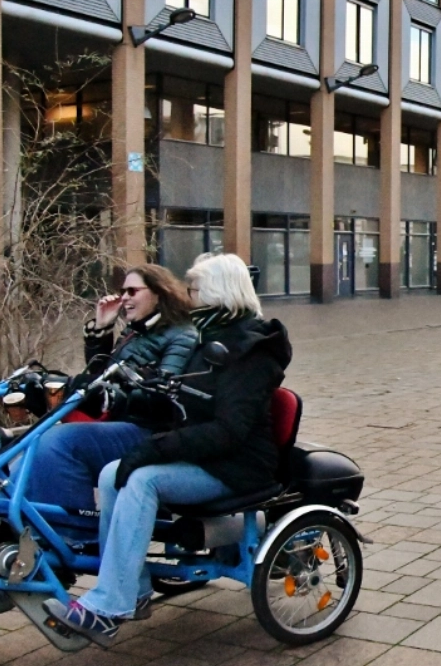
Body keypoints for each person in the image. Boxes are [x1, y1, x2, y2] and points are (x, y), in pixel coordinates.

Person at [44, 253, 291, 646]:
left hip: (235, 465)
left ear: (216, 294)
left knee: (141, 480)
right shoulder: (209, 338)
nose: (188, 298)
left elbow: (229, 430)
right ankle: (133, 589)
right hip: (204, 455)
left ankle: (108, 607)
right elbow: (174, 400)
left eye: (193, 290)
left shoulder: (251, 352)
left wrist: (157, 448)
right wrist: (126, 406)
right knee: (113, 473)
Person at [28, 265, 198, 530]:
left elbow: (166, 396)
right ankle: (27, 532)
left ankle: (75, 536)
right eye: (122, 292)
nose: (125, 298)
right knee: (29, 441)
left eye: (132, 291)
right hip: (120, 424)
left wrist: (115, 398)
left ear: (159, 293)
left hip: (152, 432)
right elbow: (99, 379)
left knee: (59, 443)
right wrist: (102, 329)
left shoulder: (183, 334)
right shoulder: (135, 333)